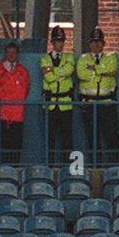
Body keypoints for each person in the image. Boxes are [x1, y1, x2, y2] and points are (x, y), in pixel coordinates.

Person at [76, 28, 118, 166]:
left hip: (107, 103)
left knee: (112, 137)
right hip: (89, 104)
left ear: (103, 44)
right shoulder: (83, 59)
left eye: (99, 42)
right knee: (93, 138)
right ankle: (96, 166)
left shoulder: (110, 57)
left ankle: (115, 167)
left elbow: (112, 70)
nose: (96, 45)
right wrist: (102, 71)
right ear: (90, 44)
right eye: (94, 42)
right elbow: (82, 75)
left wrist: (94, 69)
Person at [0, 41, 30, 164]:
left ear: (17, 54)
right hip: (1, 114)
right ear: (5, 53)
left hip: (17, 115)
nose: (11, 55)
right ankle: (2, 172)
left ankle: (14, 173)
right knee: (2, 147)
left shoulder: (23, 71)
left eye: (14, 53)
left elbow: (26, 90)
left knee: (16, 147)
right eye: (9, 52)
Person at [39, 26, 75, 164]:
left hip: (66, 104)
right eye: (57, 40)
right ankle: (50, 165)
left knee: (67, 138)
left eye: (62, 40)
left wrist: (53, 71)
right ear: (52, 42)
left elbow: (69, 70)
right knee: (50, 138)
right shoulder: (44, 58)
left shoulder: (69, 57)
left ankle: (68, 167)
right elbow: (48, 77)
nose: (60, 43)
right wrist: (60, 72)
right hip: (50, 104)